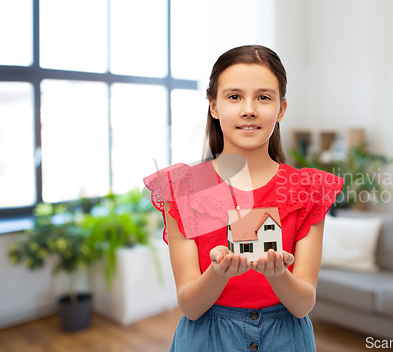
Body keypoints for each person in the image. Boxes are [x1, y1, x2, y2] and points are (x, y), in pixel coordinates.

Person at [143, 45, 344, 352]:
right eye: (234, 96)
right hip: (206, 339)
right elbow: (190, 306)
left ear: (281, 109)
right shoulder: (182, 189)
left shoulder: (309, 190)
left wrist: (278, 276)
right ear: (213, 106)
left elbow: (303, 304)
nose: (249, 109)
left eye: (263, 97)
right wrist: (218, 273)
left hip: (286, 339)